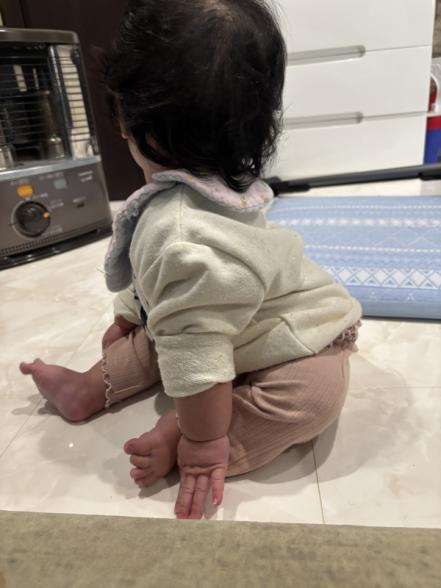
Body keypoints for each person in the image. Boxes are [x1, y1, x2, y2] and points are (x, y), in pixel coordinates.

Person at [20, 0, 362, 520]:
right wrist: (133, 315)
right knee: (192, 342)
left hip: (283, 330)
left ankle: (164, 417)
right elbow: (170, 293)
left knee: (211, 352)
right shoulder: (191, 215)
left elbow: (177, 300)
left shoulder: (181, 226)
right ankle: (109, 393)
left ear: (125, 119)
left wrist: (201, 440)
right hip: (251, 328)